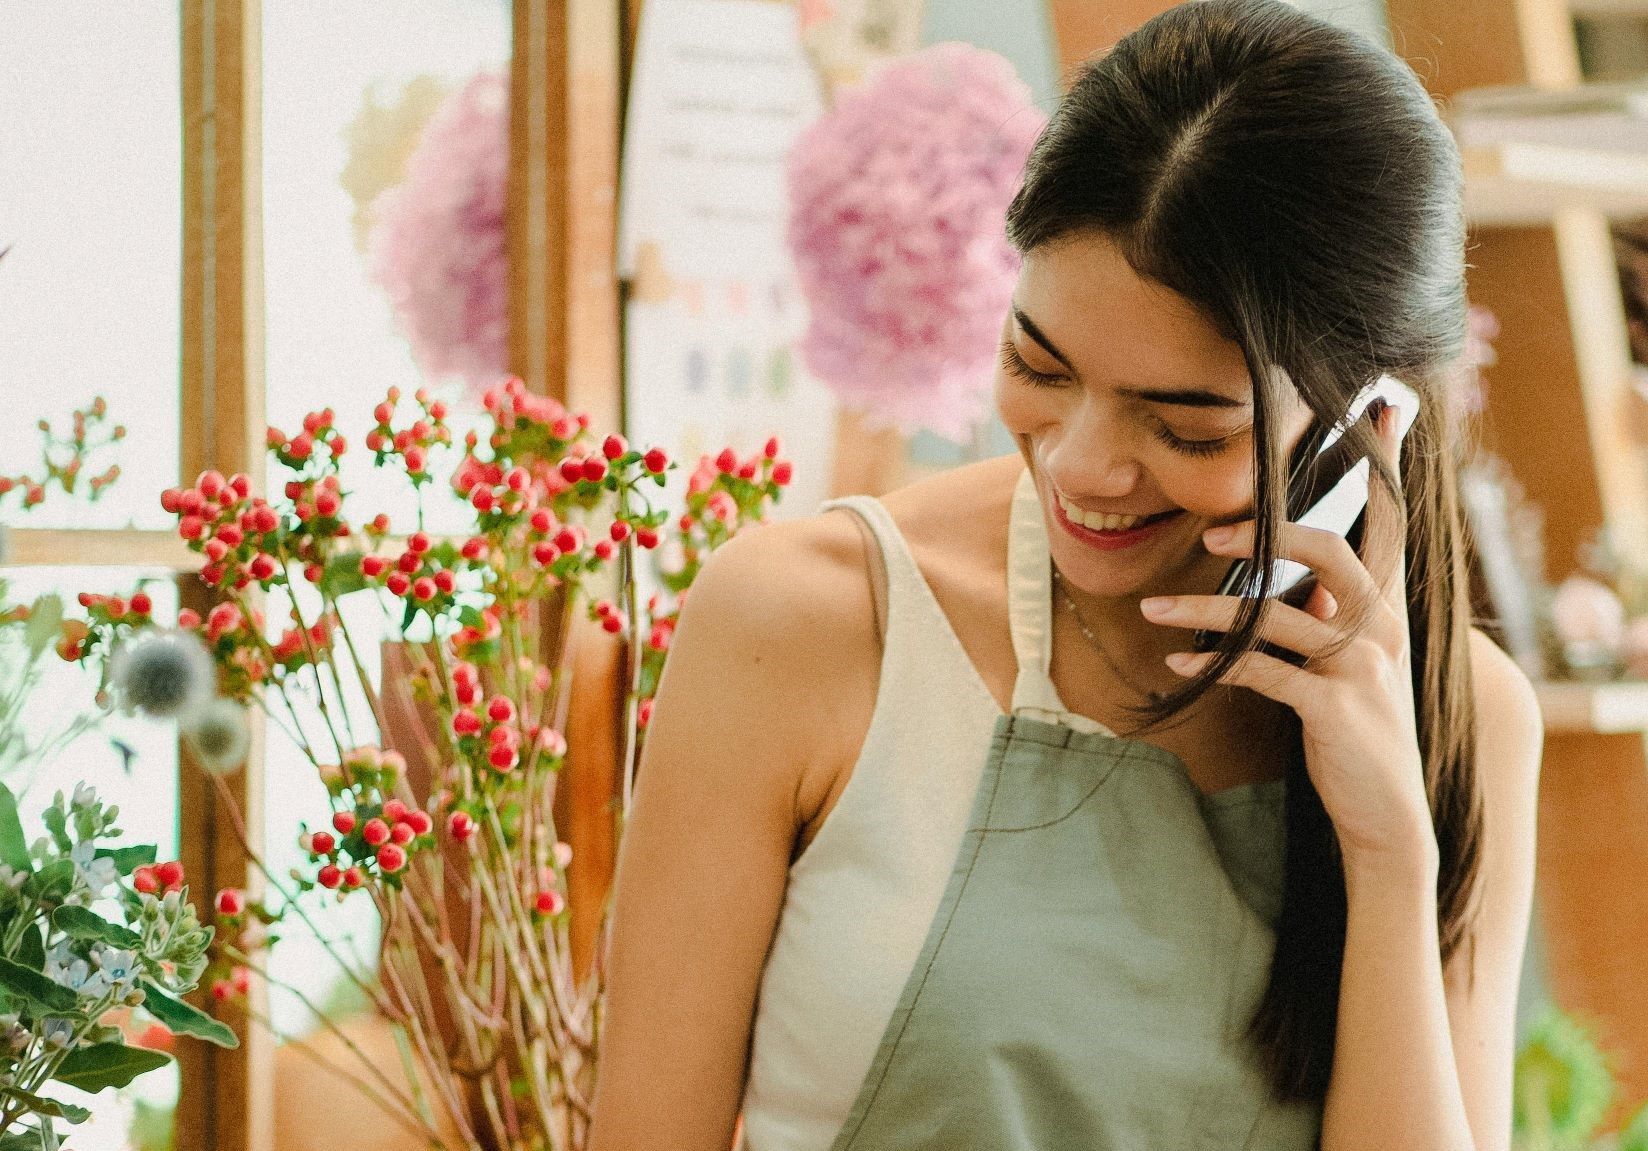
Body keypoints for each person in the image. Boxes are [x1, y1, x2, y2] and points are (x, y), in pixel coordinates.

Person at [586, 2, 1542, 1148]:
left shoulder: (1460, 717)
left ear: (1366, 424)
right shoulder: (806, 619)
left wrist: (1388, 851)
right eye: (1037, 365)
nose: (1081, 464)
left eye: (1186, 425)